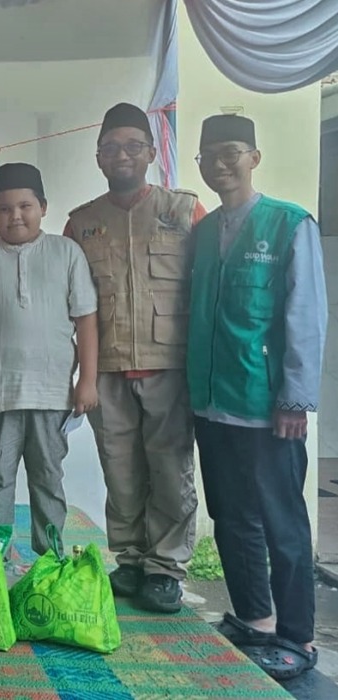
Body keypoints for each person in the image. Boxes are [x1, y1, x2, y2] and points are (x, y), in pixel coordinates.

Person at [188, 114, 327, 680]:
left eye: (232, 152)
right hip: (210, 400)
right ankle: (254, 618)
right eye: (210, 156)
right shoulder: (202, 232)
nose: (221, 164)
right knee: (230, 516)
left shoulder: (289, 224)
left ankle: (298, 638)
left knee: (281, 522)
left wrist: (295, 398)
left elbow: (306, 315)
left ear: (253, 157)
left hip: (267, 407)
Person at [64, 103, 206, 613]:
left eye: (131, 146)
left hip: (170, 369)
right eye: (110, 148)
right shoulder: (81, 224)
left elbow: (207, 292)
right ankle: (129, 559)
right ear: (98, 157)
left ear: (150, 152)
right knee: (119, 469)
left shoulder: (184, 211)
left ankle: (166, 567)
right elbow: (72, 307)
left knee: (170, 469)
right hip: (107, 371)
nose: (120, 155)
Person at [0, 163, 98, 556]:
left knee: (48, 479)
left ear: (43, 207)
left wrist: (87, 380)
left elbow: (86, 319)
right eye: (4, 208)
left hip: (52, 392)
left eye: (25, 206)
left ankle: (49, 561)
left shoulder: (66, 252)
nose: (14, 216)